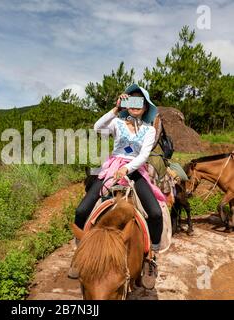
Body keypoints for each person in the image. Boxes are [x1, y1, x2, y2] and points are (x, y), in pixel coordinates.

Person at [69, 84, 166, 289]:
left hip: (134, 170)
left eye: (140, 101)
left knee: (156, 213)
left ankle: (152, 258)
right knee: (82, 209)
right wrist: (115, 108)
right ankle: (80, 251)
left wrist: (127, 168)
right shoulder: (117, 123)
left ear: (146, 107)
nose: (135, 105)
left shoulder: (149, 130)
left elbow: (143, 155)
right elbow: (97, 127)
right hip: (112, 168)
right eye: (131, 100)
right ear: (126, 104)